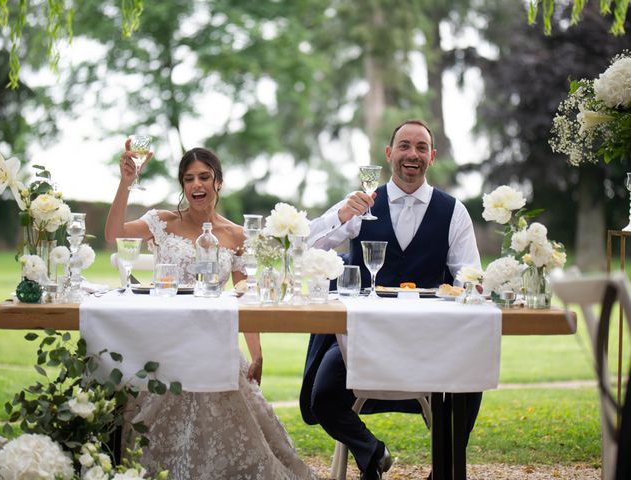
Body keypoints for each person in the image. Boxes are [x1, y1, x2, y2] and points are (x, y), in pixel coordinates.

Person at [105, 143, 316, 480]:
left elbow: (246, 297)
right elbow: (114, 234)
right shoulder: (162, 221)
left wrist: (256, 354)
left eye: (204, 177)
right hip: (163, 343)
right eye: (189, 179)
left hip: (214, 342)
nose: (196, 185)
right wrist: (126, 182)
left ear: (218, 181)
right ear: (183, 186)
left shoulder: (236, 235)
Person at [300, 119, 483, 480]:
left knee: (472, 376)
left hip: (429, 339)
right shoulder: (361, 203)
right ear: (389, 154)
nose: (411, 155)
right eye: (404, 146)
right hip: (361, 338)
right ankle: (373, 453)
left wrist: (471, 290)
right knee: (323, 396)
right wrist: (340, 215)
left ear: (432, 155)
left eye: (420, 148)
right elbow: (304, 248)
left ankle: (444, 471)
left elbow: (470, 275)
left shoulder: (453, 211)